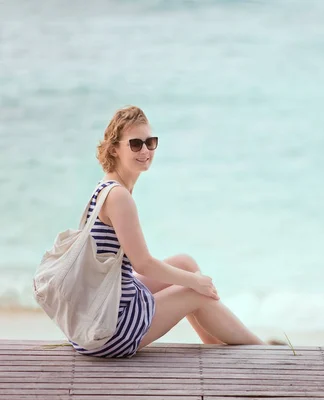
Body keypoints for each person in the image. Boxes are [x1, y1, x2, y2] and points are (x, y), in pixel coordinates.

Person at [70, 105, 264, 358]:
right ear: (115, 148)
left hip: (100, 310)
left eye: (150, 142)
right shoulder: (118, 197)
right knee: (196, 293)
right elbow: (143, 264)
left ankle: (214, 348)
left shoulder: (107, 187)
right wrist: (196, 282)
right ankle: (265, 353)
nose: (145, 151)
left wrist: (192, 277)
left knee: (185, 263)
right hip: (108, 331)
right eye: (135, 144)